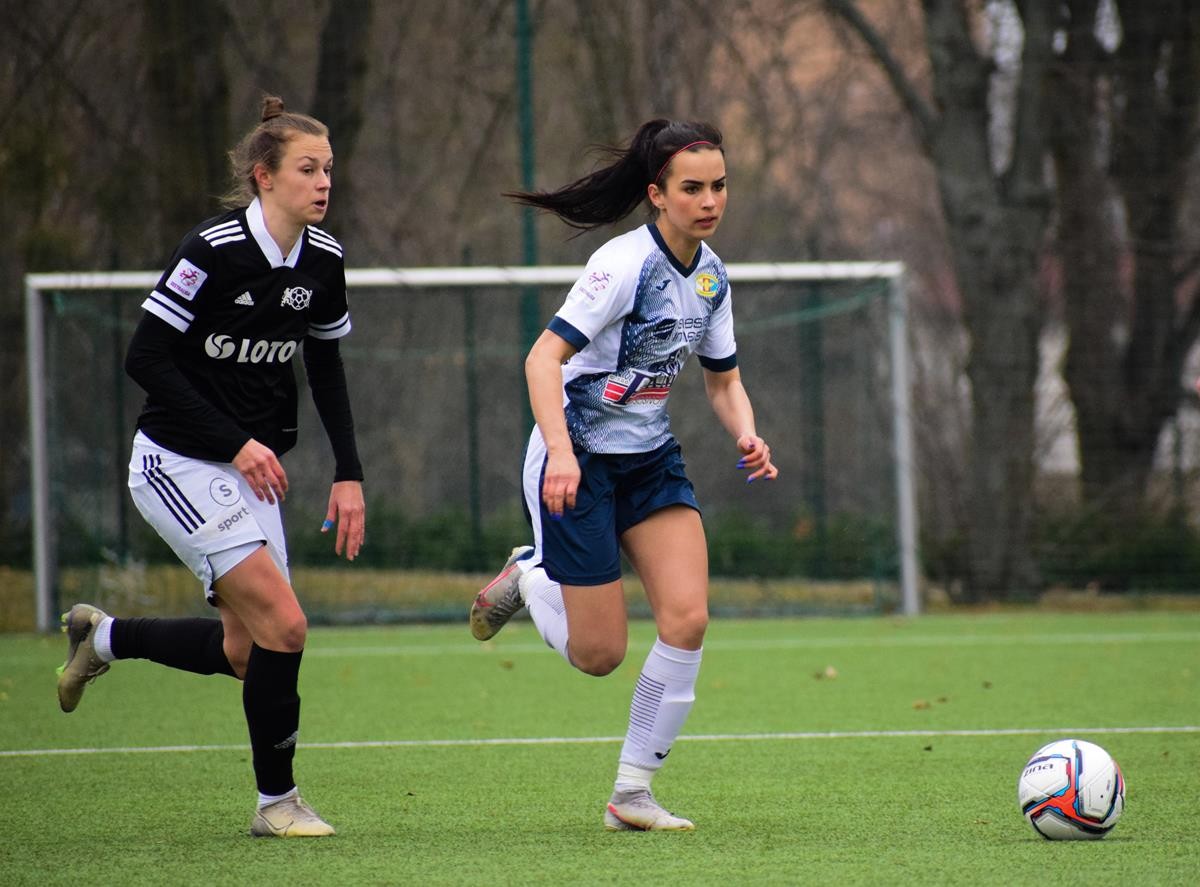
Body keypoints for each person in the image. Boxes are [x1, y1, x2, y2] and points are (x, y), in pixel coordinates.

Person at [56, 95, 365, 838]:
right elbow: (145, 358)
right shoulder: (213, 250)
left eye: (328, 169)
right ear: (265, 176)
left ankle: (104, 638)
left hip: (250, 470)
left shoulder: (324, 259)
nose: (324, 182)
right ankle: (277, 805)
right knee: (286, 626)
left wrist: (349, 472)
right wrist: (234, 442)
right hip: (177, 462)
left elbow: (326, 368)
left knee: (245, 651)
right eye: (307, 169)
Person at [470, 119, 778, 831]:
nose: (709, 200)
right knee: (600, 654)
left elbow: (724, 381)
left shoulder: (712, 275)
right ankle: (530, 577)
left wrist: (746, 431)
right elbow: (541, 360)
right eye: (692, 188)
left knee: (688, 619)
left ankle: (632, 794)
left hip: (649, 460)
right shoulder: (622, 264)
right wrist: (561, 451)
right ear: (657, 194)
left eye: (719, 185)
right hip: (575, 457)